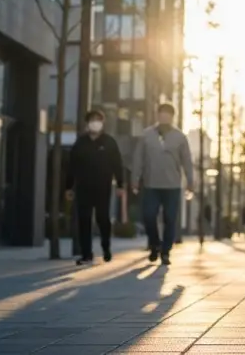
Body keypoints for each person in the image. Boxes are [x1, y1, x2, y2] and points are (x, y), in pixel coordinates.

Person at [132, 103, 193, 265]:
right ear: (157, 115)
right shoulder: (146, 135)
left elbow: (187, 161)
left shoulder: (180, 137)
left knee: (170, 219)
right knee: (149, 216)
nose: (164, 116)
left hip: (172, 185)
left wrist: (190, 182)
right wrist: (135, 179)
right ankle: (154, 244)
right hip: (151, 184)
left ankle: (165, 252)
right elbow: (138, 158)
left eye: (168, 114)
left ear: (172, 117)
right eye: (162, 113)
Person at [65, 110, 125, 265]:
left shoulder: (109, 142)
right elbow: (72, 165)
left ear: (103, 123)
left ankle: (106, 248)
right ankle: (86, 253)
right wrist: (69, 187)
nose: (95, 123)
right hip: (83, 187)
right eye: (92, 120)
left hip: (103, 186)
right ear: (87, 123)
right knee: (84, 219)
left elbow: (117, 164)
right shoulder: (81, 143)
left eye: (98, 120)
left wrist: (120, 184)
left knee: (102, 218)